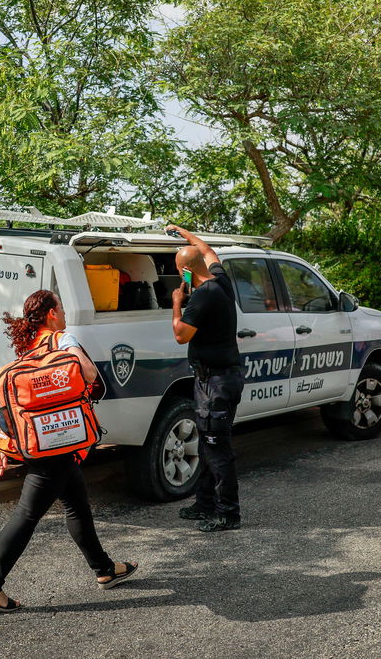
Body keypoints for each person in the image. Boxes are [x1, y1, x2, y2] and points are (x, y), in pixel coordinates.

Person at [0, 290, 138, 612]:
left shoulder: (28, 350)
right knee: (26, 514)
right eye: (60, 308)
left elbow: (12, 405)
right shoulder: (63, 339)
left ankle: (104, 569)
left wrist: (4, 444)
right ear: (51, 314)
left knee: (77, 505)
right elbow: (90, 376)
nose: (63, 314)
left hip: (40, 441)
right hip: (60, 442)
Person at [167, 224, 244, 532]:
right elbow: (208, 250)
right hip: (214, 380)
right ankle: (204, 503)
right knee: (207, 446)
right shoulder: (221, 282)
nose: (179, 277)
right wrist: (184, 233)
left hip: (217, 384)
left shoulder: (203, 297)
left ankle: (228, 513)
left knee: (217, 448)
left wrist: (176, 302)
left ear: (186, 271)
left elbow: (180, 335)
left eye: (179, 271)